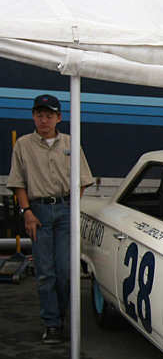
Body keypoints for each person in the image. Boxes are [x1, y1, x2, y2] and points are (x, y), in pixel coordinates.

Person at [9, 94, 95, 344]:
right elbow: (18, 183)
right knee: (45, 271)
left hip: (66, 210)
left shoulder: (71, 143)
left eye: (49, 115)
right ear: (33, 116)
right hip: (39, 213)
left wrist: (74, 207)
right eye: (39, 114)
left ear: (59, 118)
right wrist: (27, 213)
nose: (43, 120)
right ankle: (51, 322)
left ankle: (61, 313)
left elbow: (81, 180)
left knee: (66, 270)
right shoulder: (23, 145)